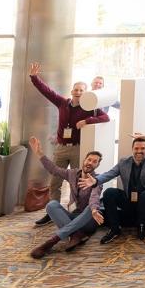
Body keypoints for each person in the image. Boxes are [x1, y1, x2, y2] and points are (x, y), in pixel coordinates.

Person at [28, 62, 109, 226]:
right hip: (61, 148)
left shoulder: (90, 108)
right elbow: (46, 91)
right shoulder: (62, 102)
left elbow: (105, 118)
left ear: (85, 93)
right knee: (55, 182)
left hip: (78, 149)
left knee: (79, 181)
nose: (78, 92)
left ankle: (78, 211)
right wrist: (34, 77)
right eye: (76, 89)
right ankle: (52, 212)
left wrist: (87, 120)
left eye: (81, 90)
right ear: (72, 91)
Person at [80, 136, 145, 244]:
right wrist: (96, 181)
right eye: (136, 148)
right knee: (109, 192)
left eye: (142, 148)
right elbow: (109, 174)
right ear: (132, 149)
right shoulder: (123, 162)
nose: (139, 151)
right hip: (128, 199)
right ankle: (115, 229)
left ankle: (141, 226)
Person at [27, 137, 104, 258]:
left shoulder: (97, 180)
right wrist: (39, 154)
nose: (90, 163)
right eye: (89, 159)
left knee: (91, 207)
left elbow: (94, 198)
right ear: (84, 160)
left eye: (94, 161)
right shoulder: (72, 173)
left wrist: (94, 209)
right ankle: (77, 234)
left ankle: (51, 242)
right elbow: (54, 169)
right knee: (51, 205)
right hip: (75, 215)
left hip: (89, 219)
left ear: (97, 165)